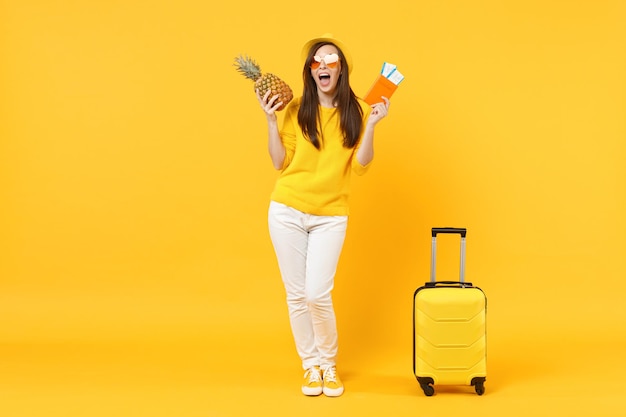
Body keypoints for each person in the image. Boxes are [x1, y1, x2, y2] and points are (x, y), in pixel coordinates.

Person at [255, 33, 390, 397]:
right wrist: (271, 120)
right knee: (297, 295)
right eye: (317, 62)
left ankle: (329, 365)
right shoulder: (297, 108)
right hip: (287, 210)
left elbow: (360, 166)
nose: (324, 66)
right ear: (310, 71)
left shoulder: (359, 110)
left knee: (317, 293)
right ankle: (311, 366)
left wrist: (373, 126)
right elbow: (279, 162)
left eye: (331, 60)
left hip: (331, 215)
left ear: (342, 68)